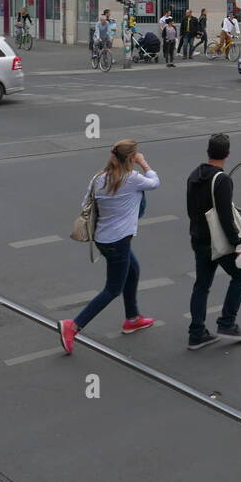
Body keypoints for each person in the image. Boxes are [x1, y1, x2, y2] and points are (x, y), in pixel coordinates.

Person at [59, 141, 160, 354]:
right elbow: (155, 182)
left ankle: (132, 318)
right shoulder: (132, 179)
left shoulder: (98, 178)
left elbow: (85, 203)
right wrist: (145, 164)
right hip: (118, 241)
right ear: (131, 158)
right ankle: (73, 326)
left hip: (103, 239)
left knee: (133, 270)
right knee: (113, 289)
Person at [185, 133, 241, 350]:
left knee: (202, 285)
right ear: (228, 154)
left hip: (199, 239)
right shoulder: (222, 180)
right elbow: (225, 216)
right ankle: (227, 323)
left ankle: (196, 333)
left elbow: (190, 209)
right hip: (218, 241)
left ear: (208, 151)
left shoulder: (194, 174)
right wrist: (237, 243)